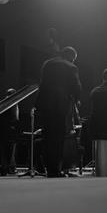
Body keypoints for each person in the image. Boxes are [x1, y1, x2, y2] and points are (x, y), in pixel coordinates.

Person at [35, 46, 82, 177]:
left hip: (45, 104)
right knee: (59, 138)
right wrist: (77, 99)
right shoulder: (71, 67)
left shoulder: (48, 63)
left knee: (47, 136)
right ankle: (56, 170)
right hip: (60, 106)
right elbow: (77, 87)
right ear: (72, 57)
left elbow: (42, 83)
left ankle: (49, 169)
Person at [0, 88, 20, 176]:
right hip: (11, 127)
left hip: (2, 128)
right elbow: (15, 117)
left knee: (4, 149)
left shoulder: (2, 102)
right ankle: (11, 168)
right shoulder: (13, 102)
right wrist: (16, 126)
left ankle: (4, 168)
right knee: (12, 149)